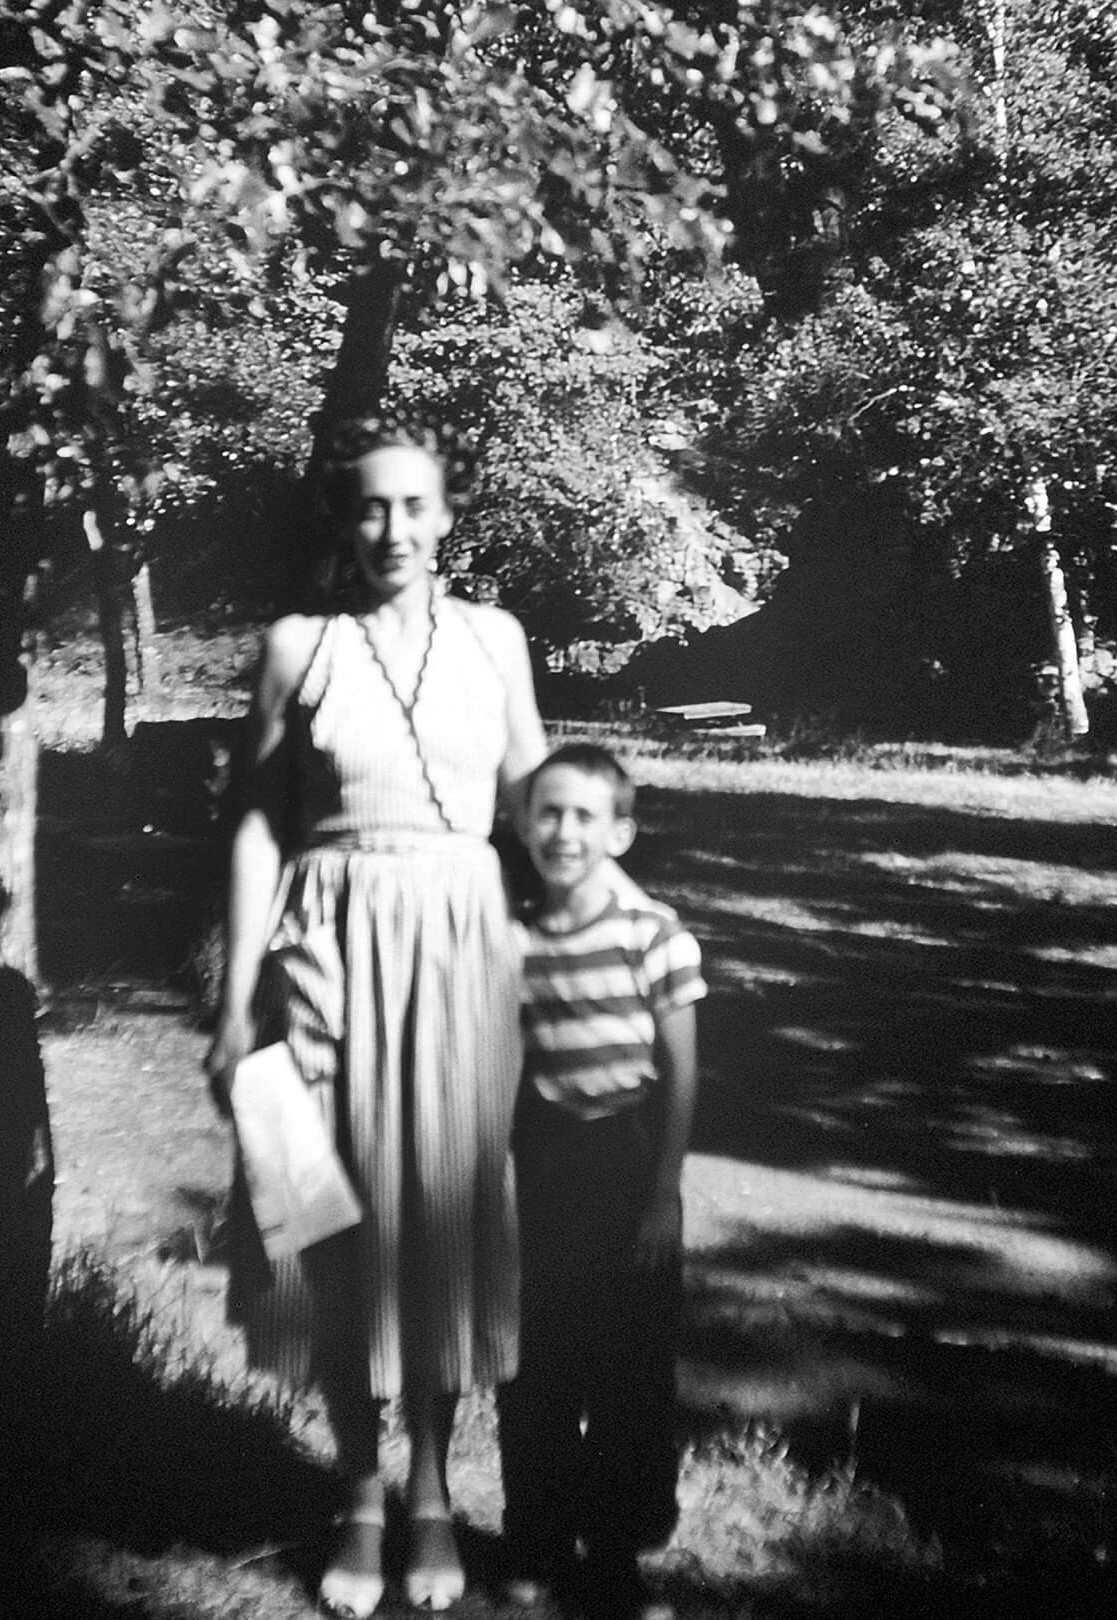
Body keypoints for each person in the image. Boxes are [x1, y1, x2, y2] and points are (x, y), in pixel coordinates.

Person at [204, 418, 546, 1618]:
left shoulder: (496, 641)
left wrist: (597, 940)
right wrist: (239, 995)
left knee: (442, 1215)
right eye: (369, 509)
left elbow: (535, 806)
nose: (392, 529)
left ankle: (437, 1493)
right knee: (332, 1219)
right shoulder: (299, 647)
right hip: (327, 946)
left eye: (414, 506)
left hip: (459, 944)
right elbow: (256, 824)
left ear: (448, 515)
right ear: (343, 523)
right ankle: (358, 1490)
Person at [498, 744, 705, 1620]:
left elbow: (684, 1074)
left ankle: (616, 1554)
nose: (564, 831)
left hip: (627, 1161)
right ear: (521, 823)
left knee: (627, 1370)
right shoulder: (510, 937)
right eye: (548, 812)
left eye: (585, 816)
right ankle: (535, 1540)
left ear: (621, 830)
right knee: (537, 1360)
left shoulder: (653, 932)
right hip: (540, 1163)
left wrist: (664, 1190)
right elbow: (502, 1067)